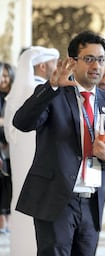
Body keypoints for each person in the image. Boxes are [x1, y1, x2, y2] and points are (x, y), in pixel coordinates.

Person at [12, 31, 105, 255]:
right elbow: (22, 122)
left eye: (100, 59)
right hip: (56, 199)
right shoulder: (55, 94)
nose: (96, 66)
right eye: (89, 59)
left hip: (91, 202)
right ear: (73, 61)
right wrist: (50, 87)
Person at [3, 46, 59, 255]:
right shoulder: (41, 92)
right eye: (55, 62)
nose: (58, 67)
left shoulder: (16, 93)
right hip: (40, 164)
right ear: (43, 66)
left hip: (21, 165)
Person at [0, 62, 14, 235]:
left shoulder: (14, 96)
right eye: (1, 75)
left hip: (12, 149)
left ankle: (8, 221)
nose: (4, 79)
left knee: (10, 185)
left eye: (6, 75)